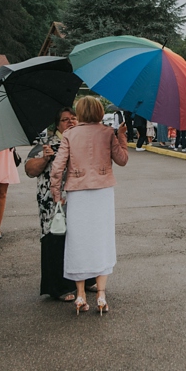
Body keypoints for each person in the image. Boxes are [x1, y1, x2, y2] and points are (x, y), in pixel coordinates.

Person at [50, 96, 128, 315]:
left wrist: (56, 193)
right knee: (102, 239)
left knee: (78, 241)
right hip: (103, 192)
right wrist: (121, 136)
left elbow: (57, 167)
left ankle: (80, 295)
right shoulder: (107, 133)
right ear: (99, 112)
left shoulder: (69, 134)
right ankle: (101, 295)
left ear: (81, 113)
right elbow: (122, 160)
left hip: (78, 192)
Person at [25, 107, 92, 302]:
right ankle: (58, 286)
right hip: (53, 202)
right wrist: (44, 158)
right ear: (57, 125)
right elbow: (29, 170)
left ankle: (86, 279)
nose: (71, 122)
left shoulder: (82, 142)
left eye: (74, 118)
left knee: (80, 240)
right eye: (65, 119)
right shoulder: (46, 144)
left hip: (78, 198)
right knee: (55, 239)